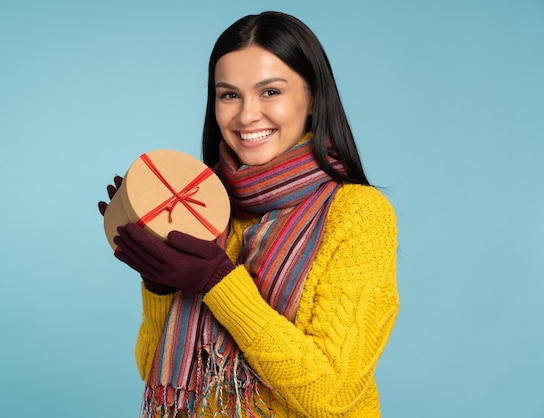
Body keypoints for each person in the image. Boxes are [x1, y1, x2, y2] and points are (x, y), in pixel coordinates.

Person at [99, 11, 398, 417]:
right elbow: (155, 373)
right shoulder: (206, 209)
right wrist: (159, 285)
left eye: (270, 92)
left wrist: (218, 282)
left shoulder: (359, 214)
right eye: (229, 95)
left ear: (311, 98)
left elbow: (332, 395)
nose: (246, 115)